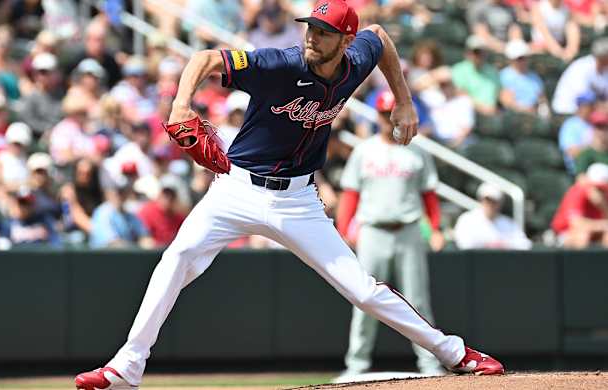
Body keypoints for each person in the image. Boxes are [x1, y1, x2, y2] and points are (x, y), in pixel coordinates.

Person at [75, 2, 504, 388]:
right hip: (236, 189)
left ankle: (454, 353)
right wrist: (181, 105)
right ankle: (126, 367)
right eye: (311, 28)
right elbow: (205, 58)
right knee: (177, 258)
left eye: (324, 32)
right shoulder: (278, 64)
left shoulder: (356, 59)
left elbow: (381, 36)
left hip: (298, 200)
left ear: (345, 40)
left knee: (362, 290)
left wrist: (403, 100)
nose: (312, 38)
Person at [336, 90, 447, 377]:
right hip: (372, 230)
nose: (387, 119)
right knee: (364, 300)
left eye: (391, 113)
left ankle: (429, 365)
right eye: (383, 113)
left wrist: (434, 228)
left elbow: (429, 196)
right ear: (377, 115)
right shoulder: (364, 150)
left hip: (408, 230)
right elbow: (350, 193)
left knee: (418, 301)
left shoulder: (417, 150)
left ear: (400, 114)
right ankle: (356, 366)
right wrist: (344, 226)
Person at [454, 183, 532, 250]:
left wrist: (504, 245)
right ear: (481, 200)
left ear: (500, 203)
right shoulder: (467, 220)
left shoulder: (508, 223)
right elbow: (463, 244)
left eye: (494, 201)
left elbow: (524, 244)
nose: (490, 205)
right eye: (488, 200)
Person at [551, 162, 608, 248]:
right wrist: (603, 225)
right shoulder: (577, 192)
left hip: (596, 233)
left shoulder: (605, 197)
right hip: (565, 234)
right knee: (583, 236)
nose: (601, 192)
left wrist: (603, 205)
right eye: (598, 188)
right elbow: (577, 224)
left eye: (603, 189)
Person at [552, 37, 608, 115]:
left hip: (589, 113)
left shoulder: (605, 70)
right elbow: (582, 99)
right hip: (567, 112)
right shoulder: (582, 67)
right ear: (604, 57)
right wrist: (603, 106)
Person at [18, 52, 64, 138]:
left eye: (46, 72)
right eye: (41, 72)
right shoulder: (31, 97)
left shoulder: (62, 95)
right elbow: (27, 120)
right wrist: (46, 129)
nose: (43, 76)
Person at [451, 36, 501, 115]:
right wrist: (482, 108)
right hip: (469, 113)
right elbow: (460, 94)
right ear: (468, 53)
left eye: (482, 52)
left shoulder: (492, 71)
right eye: (476, 52)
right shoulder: (459, 70)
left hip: (492, 113)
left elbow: (499, 92)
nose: (479, 55)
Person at [499, 40, 546, 113]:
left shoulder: (535, 77)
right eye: (519, 59)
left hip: (533, 116)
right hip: (514, 116)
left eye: (524, 58)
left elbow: (542, 99)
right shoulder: (504, 76)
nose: (522, 61)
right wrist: (525, 110)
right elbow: (506, 101)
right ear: (511, 60)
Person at [559, 91, 596, 174]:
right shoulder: (570, 124)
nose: (592, 108)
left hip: (596, 164)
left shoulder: (596, 124)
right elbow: (571, 152)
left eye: (592, 105)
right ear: (580, 107)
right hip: (578, 169)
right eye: (588, 106)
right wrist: (593, 149)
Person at [575, 110, 608, 178]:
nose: (602, 131)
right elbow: (581, 179)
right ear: (592, 128)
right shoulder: (586, 154)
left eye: (605, 126)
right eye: (599, 126)